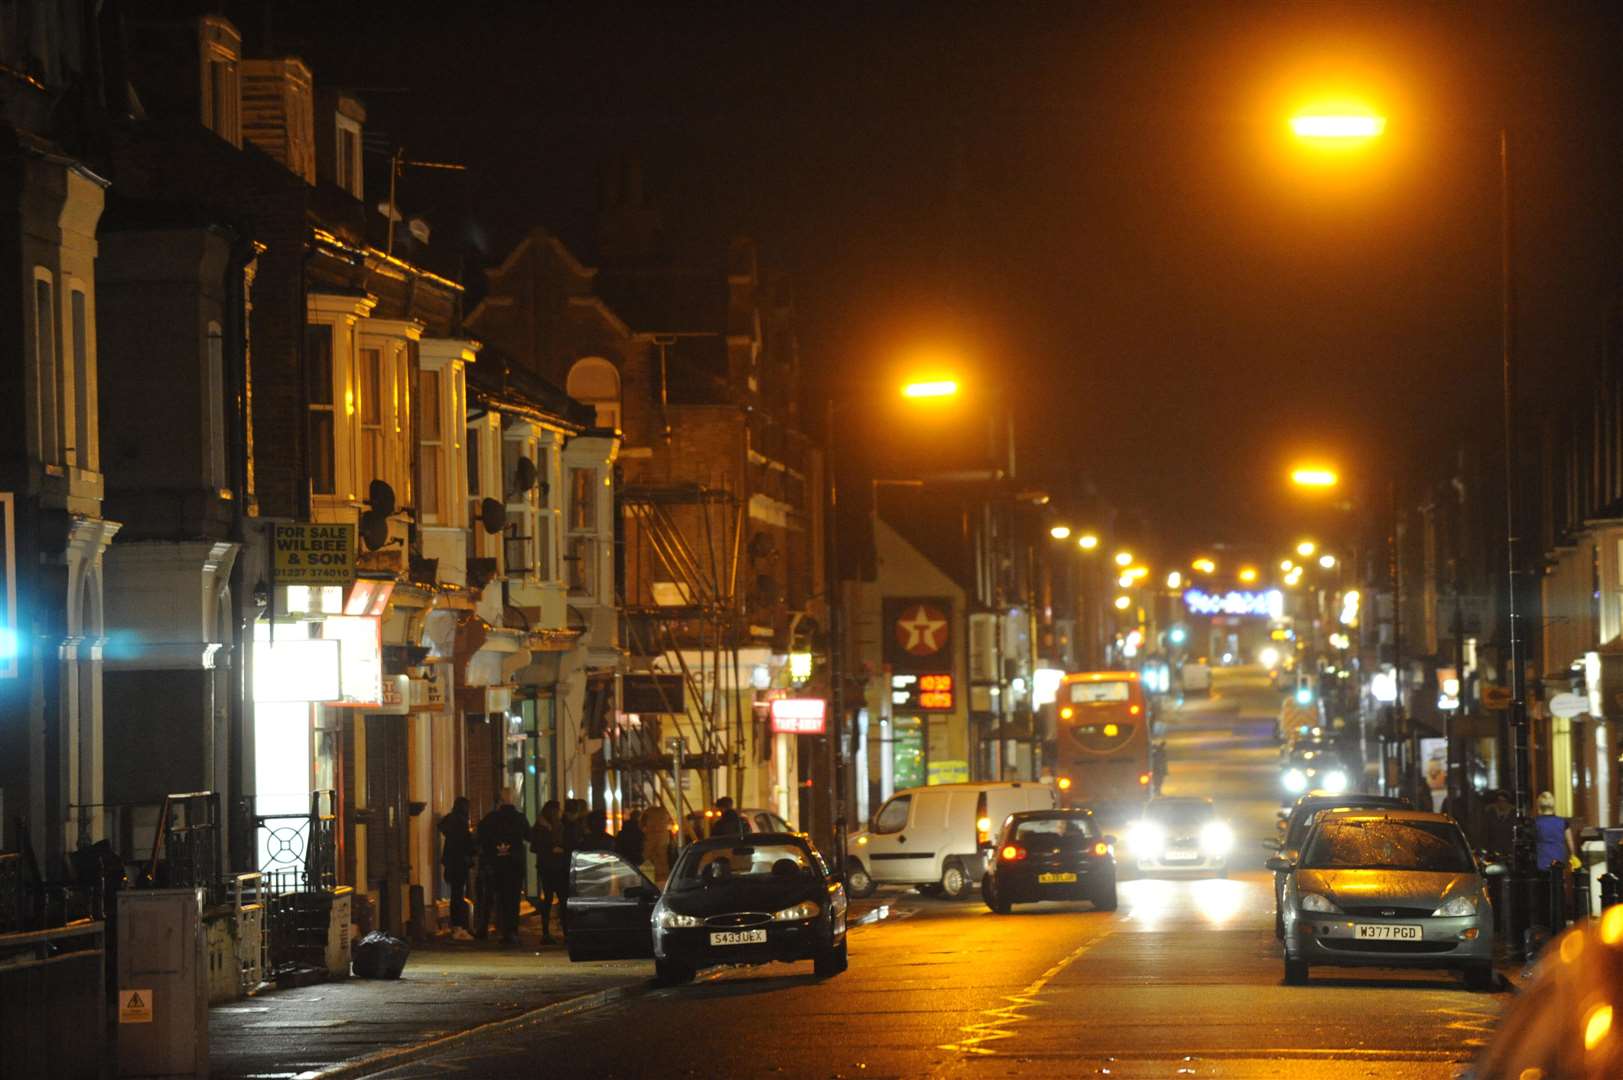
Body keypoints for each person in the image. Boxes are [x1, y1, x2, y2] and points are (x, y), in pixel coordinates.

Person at [477, 788, 531, 946]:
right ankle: (510, 931)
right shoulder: (520, 819)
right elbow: (529, 836)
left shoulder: (490, 819)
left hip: (494, 863)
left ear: (499, 801)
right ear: (513, 800)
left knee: (490, 897)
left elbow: (480, 837)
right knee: (512, 898)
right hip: (514, 864)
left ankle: (484, 928)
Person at [437, 796, 475, 941]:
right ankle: (458, 927)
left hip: (451, 863)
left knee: (455, 893)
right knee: (458, 894)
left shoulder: (450, 821)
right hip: (460, 863)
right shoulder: (461, 823)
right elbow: (466, 843)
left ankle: (457, 926)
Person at [532, 800, 567, 945]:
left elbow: (534, 847)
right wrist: (552, 848)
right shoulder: (548, 827)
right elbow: (536, 846)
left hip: (547, 867)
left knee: (550, 899)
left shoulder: (544, 826)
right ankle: (553, 932)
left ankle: (548, 932)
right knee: (558, 898)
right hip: (554, 866)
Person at [1533, 791, 1575, 872]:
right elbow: (1570, 843)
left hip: (1541, 859)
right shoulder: (1563, 822)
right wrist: (1572, 855)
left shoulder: (1536, 822)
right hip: (1559, 859)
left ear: (1539, 805)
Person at [642, 804, 675, 883]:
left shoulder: (647, 835)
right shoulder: (664, 835)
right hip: (664, 874)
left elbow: (646, 856)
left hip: (653, 874)